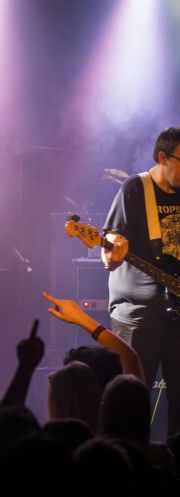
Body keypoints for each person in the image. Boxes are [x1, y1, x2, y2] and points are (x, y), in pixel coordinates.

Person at [101, 126, 180, 437]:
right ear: (164, 157)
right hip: (138, 318)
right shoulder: (135, 190)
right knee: (131, 403)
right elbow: (108, 245)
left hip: (177, 319)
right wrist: (113, 253)